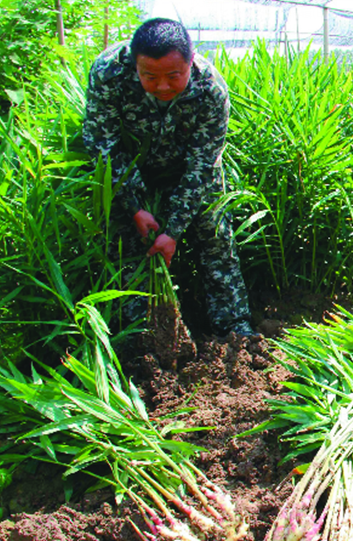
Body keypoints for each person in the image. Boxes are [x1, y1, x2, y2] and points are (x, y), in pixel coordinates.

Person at [82, 18, 256, 337]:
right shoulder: (108, 72)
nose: (162, 86)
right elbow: (101, 142)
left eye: (173, 76)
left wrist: (173, 230)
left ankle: (233, 328)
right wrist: (134, 206)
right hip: (130, 168)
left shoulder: (210, 88)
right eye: (150, 77)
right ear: (134, 66)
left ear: (190, 62)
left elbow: (203, 163)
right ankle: (142, 333)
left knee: (214, 234)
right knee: (125, 242)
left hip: (189, 170)